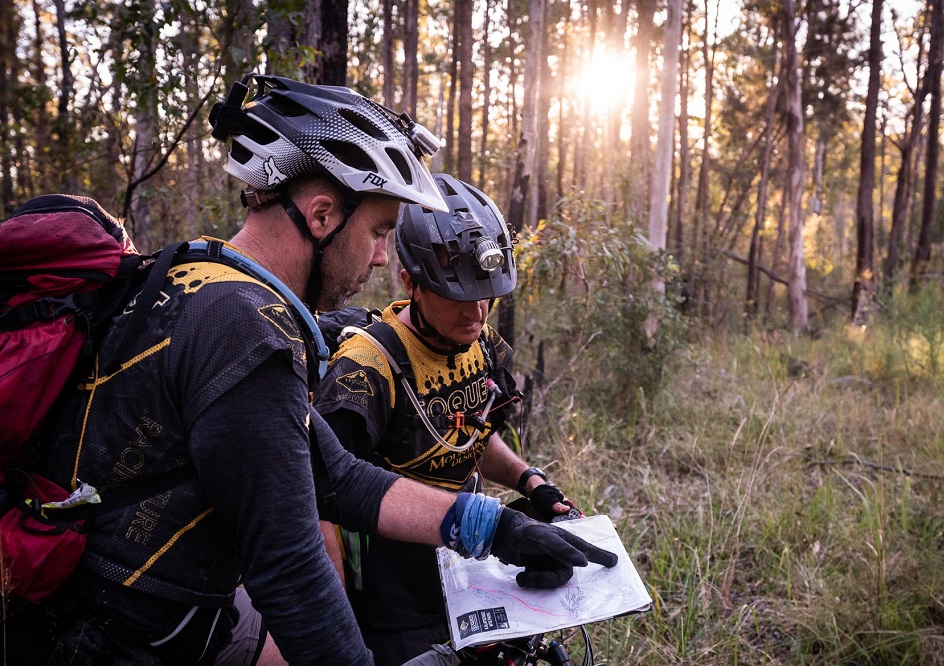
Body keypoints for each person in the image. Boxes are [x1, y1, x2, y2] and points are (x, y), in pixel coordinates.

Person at [23, 75, 615, 666]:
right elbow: (289, 566)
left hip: (138, 605)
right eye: (380, 230)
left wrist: (497, 530)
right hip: (130, 637)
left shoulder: (196, 277)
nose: (384, 256)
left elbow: (335, 476)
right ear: (323, 215)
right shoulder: (247, 331)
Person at [313, 173, 580, 665]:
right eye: (457, 296)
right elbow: (323, 496)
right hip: (388, 594)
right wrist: (335, 610)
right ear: (409, 281)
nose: (476, 313)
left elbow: (474, 436)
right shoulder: (367, 369)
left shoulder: (484, 347)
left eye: (486, 295)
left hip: (467, 563)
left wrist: (530, 481)